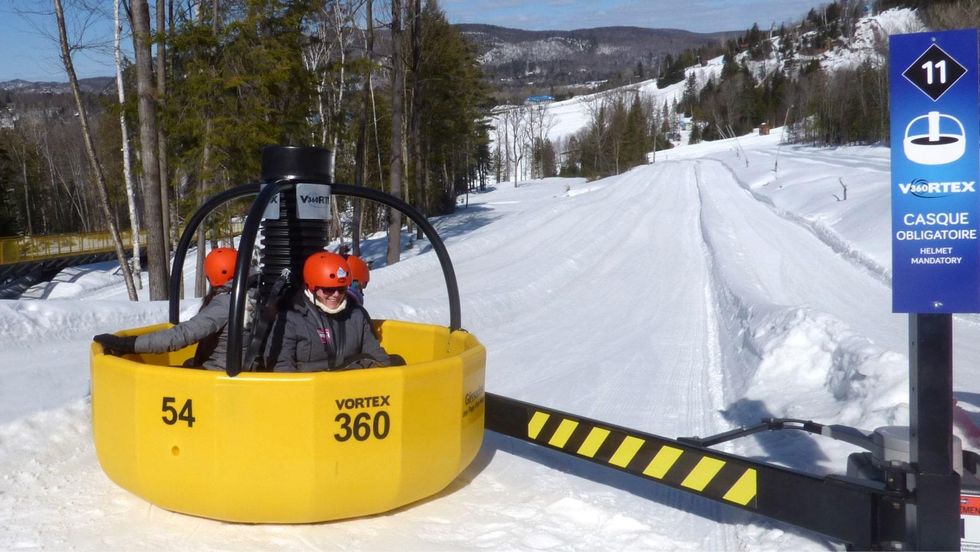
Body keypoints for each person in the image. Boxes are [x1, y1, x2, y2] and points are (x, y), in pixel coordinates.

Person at [94, 247, 241, 370]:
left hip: (216, 376)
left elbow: (180, 336)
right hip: (223, 368)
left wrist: (128, 344)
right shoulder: (247, 297)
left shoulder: (225, 305)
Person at [265, 251, 390, 372]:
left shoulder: (357, 315)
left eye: (341, 289)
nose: (336, 295)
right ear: (312, 287)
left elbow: (376, 356)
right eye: (328, 290)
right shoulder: (292, 317)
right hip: (310, 389)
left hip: (351, 388)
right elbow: (281, 365)